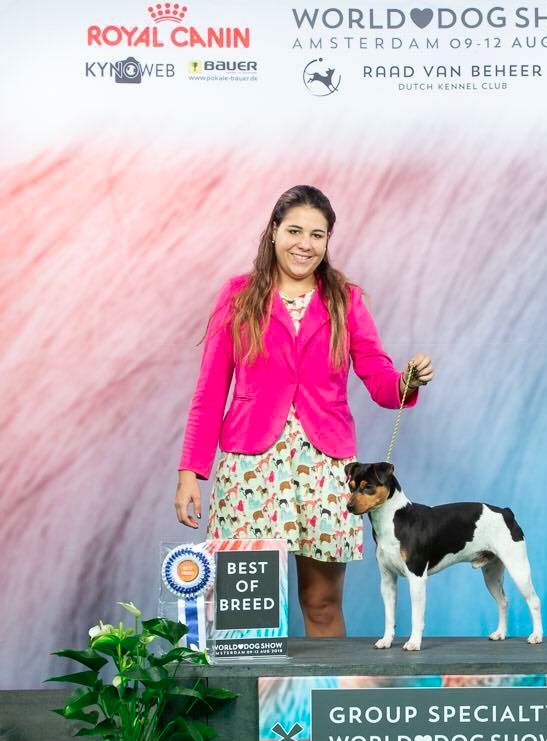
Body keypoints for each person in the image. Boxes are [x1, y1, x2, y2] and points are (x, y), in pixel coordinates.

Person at [174, 185, 433, 637]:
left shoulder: (345, 299)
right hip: (250, 468)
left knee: (322, 605)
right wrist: (190, 472)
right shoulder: (238, 295)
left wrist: (406, 381)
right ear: (274, 230)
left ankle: (327, 687)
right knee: (247, 614)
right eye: (294, 231)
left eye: (317, 235)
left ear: (328, 240)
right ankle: (253, 687)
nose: (305, 244)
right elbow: (210, 390)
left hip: (326, 468)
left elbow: (377, 376)